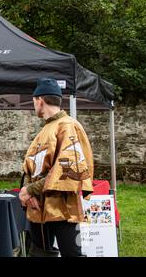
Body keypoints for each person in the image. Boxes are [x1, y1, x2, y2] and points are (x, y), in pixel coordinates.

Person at [19, 78, 94, 257]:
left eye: (34, 101)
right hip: (38, 203)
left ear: (40, 100)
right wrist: (29, 193)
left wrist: (30, 190)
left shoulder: (67, 126)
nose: (34, 105)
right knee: (41, 251)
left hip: (63, 205)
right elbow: (34, 167)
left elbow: (67, 170)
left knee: (71, 253)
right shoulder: (47, 128)